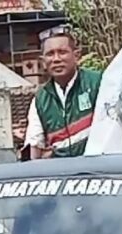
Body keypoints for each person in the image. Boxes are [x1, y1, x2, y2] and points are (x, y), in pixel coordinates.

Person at [24, 26, 102, 159]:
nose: (56, 59)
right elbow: (35, 148)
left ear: (76, 55)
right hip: (62, 170)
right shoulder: (40, 99)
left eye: (62, 52)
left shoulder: (97, 83)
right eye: (50, 54)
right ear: (43, 61)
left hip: (99, 166)